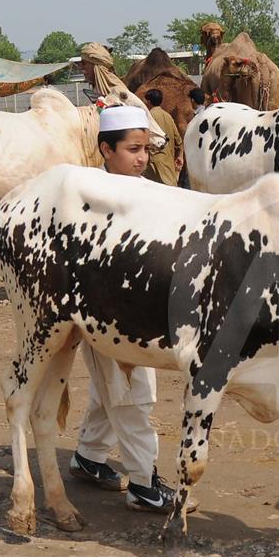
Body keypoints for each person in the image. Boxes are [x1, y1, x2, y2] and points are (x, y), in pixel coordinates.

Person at [68, 105, 196, 515]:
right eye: (132, 149)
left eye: (145, 148)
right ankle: (143, 483)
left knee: (112, 392)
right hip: (106, 315)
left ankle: (88, 457)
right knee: (133, 396)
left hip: (141, 313)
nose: (142, 157)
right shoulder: (90, 198)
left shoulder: (145, 187)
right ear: (106, 149)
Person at [141, 88, 183, 186]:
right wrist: (180, 156)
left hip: (154, 166)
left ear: (149, 101)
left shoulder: (148, 117)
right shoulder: (168, 116)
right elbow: (178, 140)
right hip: (169, 165)